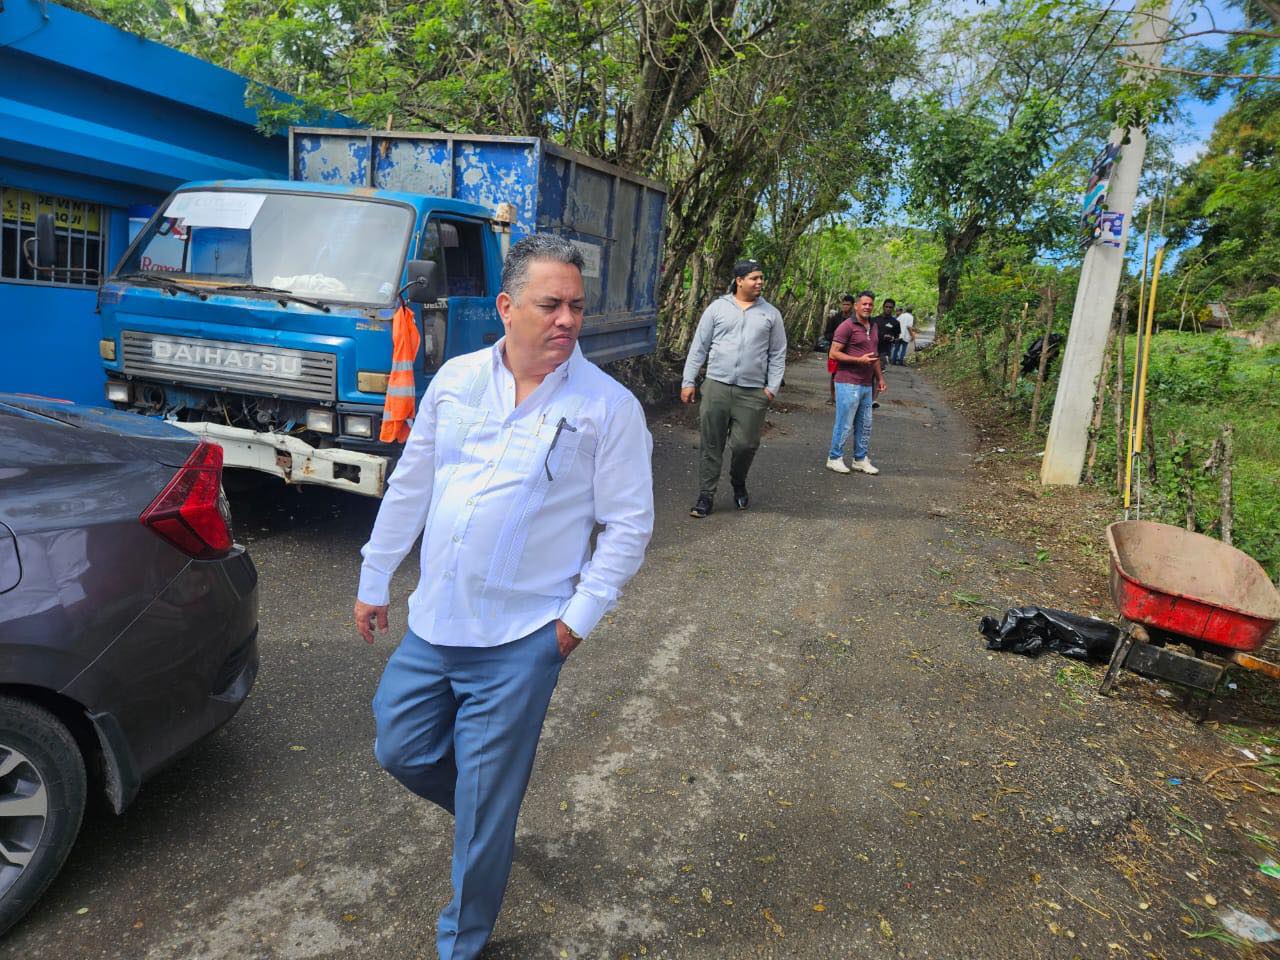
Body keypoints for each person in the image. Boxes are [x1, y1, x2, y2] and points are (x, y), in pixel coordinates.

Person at [354, 234, 654, 960]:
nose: (567, 320)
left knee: (488, 804)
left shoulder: (606, 409)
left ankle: (462, 940)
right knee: (398, 744)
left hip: (522, 638)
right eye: (551, 304)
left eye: (577, 307)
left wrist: (574, 624)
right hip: (435, 622)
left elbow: (629, 525)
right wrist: (375, 576)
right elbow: (414, 484)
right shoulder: (455, 380)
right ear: (506, 306)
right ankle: (486, 820)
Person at [681, 258, 786, 517]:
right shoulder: (717, 308)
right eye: (754, 278)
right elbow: (699, 347)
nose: (760, 282)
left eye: (761, 277)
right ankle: (706, 496)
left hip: (752, 392)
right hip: (717, 385)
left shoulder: (770, 314)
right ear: (739, 281)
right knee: (711, 443)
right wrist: (688, 381)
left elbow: (778, 353)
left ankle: (738, 481)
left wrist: (771, 388)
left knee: (745, 445)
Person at [826, 290, 885, 475]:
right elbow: (833, 353)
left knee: (865, 424)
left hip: (867, 383)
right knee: (844, 423)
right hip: (847, 382)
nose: (867, 307)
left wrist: (880, 378)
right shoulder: (847, 326)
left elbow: (874, 355)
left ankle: (860, 459)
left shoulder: (874, 326)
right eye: (864, 304)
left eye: (870, 304)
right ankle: (834, 457)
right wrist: (858, 360)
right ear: (857, 306)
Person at [825, 296, 854, 404]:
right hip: (835, 351)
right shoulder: (834, 318)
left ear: (852, 306)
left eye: (848, 304)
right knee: (834, 374)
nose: (845, 306)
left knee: (849, 374)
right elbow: (827, 334)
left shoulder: (855, 319)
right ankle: (832, 396)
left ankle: (845, 397)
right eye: (844, 304)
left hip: (850, 352)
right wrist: (838, 338)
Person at [874, 298, 900, 371]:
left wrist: (892, 338)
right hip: (873, 349)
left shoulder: (895, 323)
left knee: (880, 371)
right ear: (883, 307)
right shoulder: (875, 320)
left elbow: (896, 338)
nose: (888, 309)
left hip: (884, 351)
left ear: (893, 309)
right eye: (886, 307)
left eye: (890, 307)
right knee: (870, 372)